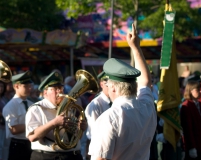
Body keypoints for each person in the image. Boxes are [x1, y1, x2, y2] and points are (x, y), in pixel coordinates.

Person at [88, 23, 157, 160]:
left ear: (113, 87)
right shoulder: (147, 107)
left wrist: (134, 47)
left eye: (107, 83)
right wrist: (135, 47)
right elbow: (145, 81)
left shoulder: (108, 118)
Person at [25, 71, 87, 160]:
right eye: (55, 88)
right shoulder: (36, 109)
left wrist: (81, 129)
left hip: (72, 155)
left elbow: (74, 138)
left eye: (61, 88)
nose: (59, 91)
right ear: (45, 92)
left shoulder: (67, 108)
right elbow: (32, 137)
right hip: (48, 156)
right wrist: (54, 123)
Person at [2, 71, 34, 160]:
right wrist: (34, 125)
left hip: (31, 144)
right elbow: (14, 129)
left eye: (29, 85)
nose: (29, 88)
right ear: (16, 86)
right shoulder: (10, 106)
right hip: (18, 145)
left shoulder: (31, 104)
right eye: (25, 86)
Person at [180, 81, 201, 160]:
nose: (200, 91)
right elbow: (188, 129)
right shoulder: (186, 106)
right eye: (198, 89)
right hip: (195, 146)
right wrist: (192, 147)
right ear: (191, 91)